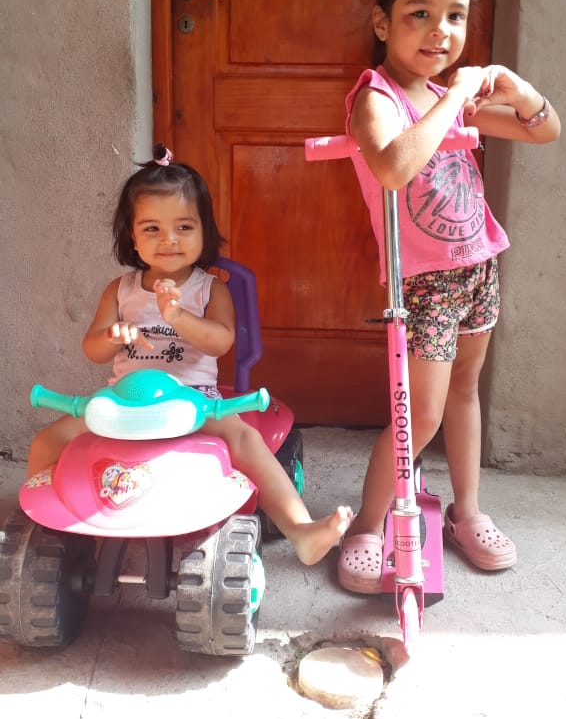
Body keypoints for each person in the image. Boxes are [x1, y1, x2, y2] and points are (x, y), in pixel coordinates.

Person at [338, 0, 561, 592]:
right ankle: (368, 527)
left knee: (466, 390)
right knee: (420, 414)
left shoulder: (450, 96)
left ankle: (467, 513)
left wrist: (516, 89)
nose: (440, 30)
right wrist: (454, 97)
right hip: (426, 282)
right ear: (383, 22)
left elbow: (544, 129)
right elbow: (392, 166)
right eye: (420, 13)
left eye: (455, 15)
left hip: (477, 266)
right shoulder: (376, 97)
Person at [28, 144, 353, 566]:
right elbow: (92, 349)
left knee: (245, 438)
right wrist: (111, 335)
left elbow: (220, 341)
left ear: (204, 231)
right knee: (48, 441)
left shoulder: (209, 289)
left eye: (183, 226)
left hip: (195, 402)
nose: (169, 240)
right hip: (124, 405)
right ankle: (48, 531)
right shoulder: (120, 290)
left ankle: (300, 529)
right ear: (132, 237)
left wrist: (178, 317)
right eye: (152, 228)